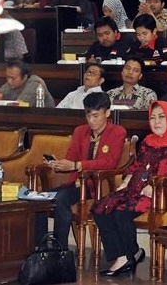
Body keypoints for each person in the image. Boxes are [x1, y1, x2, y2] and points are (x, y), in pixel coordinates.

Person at [93, 101, 167, 277]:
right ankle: (127, 254)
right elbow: (137, 165)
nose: (156, 122)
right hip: (136, 188)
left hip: (162, 193)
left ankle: (127, 258)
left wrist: (155, 185)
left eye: (162, 117)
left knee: (120, 213)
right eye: (153, 118)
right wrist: (126, 181)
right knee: (101, 207)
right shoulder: (148, 141)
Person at [35, 92, 126, 248]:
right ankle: (40, 248)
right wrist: (58, 164)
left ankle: (60, 250)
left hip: (98, 186)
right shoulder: (80, 131)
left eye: (96, 116)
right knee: (39, 199)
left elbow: (109, 163)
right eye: (88, 116)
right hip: (77, 183)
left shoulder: (117, 132)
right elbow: (71, 158)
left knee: (61, 199)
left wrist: (77, 165)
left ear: (107, 113)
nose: (91, 120)